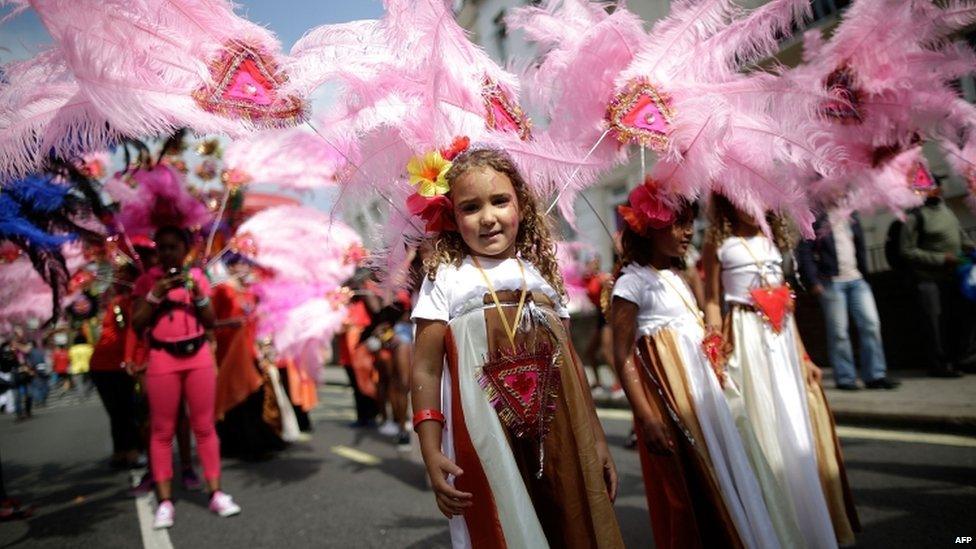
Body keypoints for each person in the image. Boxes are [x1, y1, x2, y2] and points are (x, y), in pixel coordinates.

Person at [411, 147, 623, 547]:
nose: (488, 217)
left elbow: (573, 366)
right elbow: (424, 368)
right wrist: (430, 448)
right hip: (485, 432)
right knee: (508, 521)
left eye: (500, 201)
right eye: (470, 207)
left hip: (558, 426)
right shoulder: (446, 278)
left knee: (568, 516)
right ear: (452, 218)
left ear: (521, 206)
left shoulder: (539, 275)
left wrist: (595, 437)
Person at [609, 184, 782, 548]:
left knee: (725, 472)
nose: (688, 232)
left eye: (690, 222)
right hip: (675, 399)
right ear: (649, 228)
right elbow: (621, 353)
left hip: (706, 396)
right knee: (692, 483)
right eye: (677, 223)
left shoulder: (679, 275)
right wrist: (646, 416)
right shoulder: (631, 283)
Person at [703, 193, 858, 547]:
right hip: (746, 335)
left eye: (756, 196)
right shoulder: (718, 243)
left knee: (793, 418)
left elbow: (786, 304)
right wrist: (714, 343)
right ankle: (777, 516)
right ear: (728, 202)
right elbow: (712, 297)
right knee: (762, 420)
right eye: (742, 198)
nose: (751, 205)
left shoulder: (771, 241)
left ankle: (807, 516)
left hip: (782, 339)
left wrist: (804, 356)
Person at [132, 225, 240, 529]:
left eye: (173, 247)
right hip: (162, 359)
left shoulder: (198, 279)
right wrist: (155, 294)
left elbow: (211, 321)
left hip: (198, 358)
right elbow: (136, 324)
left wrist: (196, 293)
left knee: (204, 427)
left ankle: (216, 493)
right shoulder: (146, 282)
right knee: (162, 431)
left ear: (185, 250)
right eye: (161, 247)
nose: (167, 253)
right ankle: (165, 502)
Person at [797, 208, 899, 390]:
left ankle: (875, 375)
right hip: (831, 282)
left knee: (871, 325)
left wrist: (865, 272)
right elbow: (804, 251)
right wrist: (813, 282)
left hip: (857, 280)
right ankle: (845, 377)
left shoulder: (852, 215)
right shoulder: (815, 217)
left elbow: (859, 245)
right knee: (839, 332)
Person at [898, 178, 976, 377]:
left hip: (953, 277)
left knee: (957, 319)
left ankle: (963, 359)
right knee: (934, 322)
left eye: (934, 186)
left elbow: (961, 239)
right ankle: (939, 364)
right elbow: (907, 251)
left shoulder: (947, 211)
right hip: (928, 279)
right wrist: (941, 258)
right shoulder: (915, 217)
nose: (933, 191)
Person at [212, 254, 286, 459]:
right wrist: (229, 324)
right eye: (238, 263)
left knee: (255, 395)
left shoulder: (253, 291)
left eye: (246, 263)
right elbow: (209, 321)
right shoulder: (222, 290)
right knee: (239, 396)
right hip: (230, 354)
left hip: (252, 350)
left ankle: (257, 441)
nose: (243, 267)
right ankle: (240, 444)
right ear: (230, 266)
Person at [90, 263, 144, 469]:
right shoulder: (122, 302)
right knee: (125, 411)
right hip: (111, 365)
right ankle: (129, 453)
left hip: (107, 365)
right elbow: (128, 333)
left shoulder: (122, 301)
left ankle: (120, 453)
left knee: (119, 412)